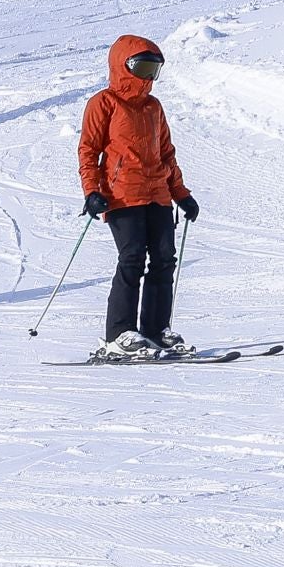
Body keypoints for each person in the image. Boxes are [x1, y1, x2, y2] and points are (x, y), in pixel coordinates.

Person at [77, 35, 200, 361]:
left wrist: (181, 195)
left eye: (153, 70)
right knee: (131, 258)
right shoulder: (103, 103)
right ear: (123, 66)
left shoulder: (153, 107)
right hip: (122, 196)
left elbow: (166, 155)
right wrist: (91, 191)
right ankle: (119, 335)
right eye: (142, 68)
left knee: (163, 260)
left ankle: (155, 331)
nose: (147, 77)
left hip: (158, 195)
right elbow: (88, 151)